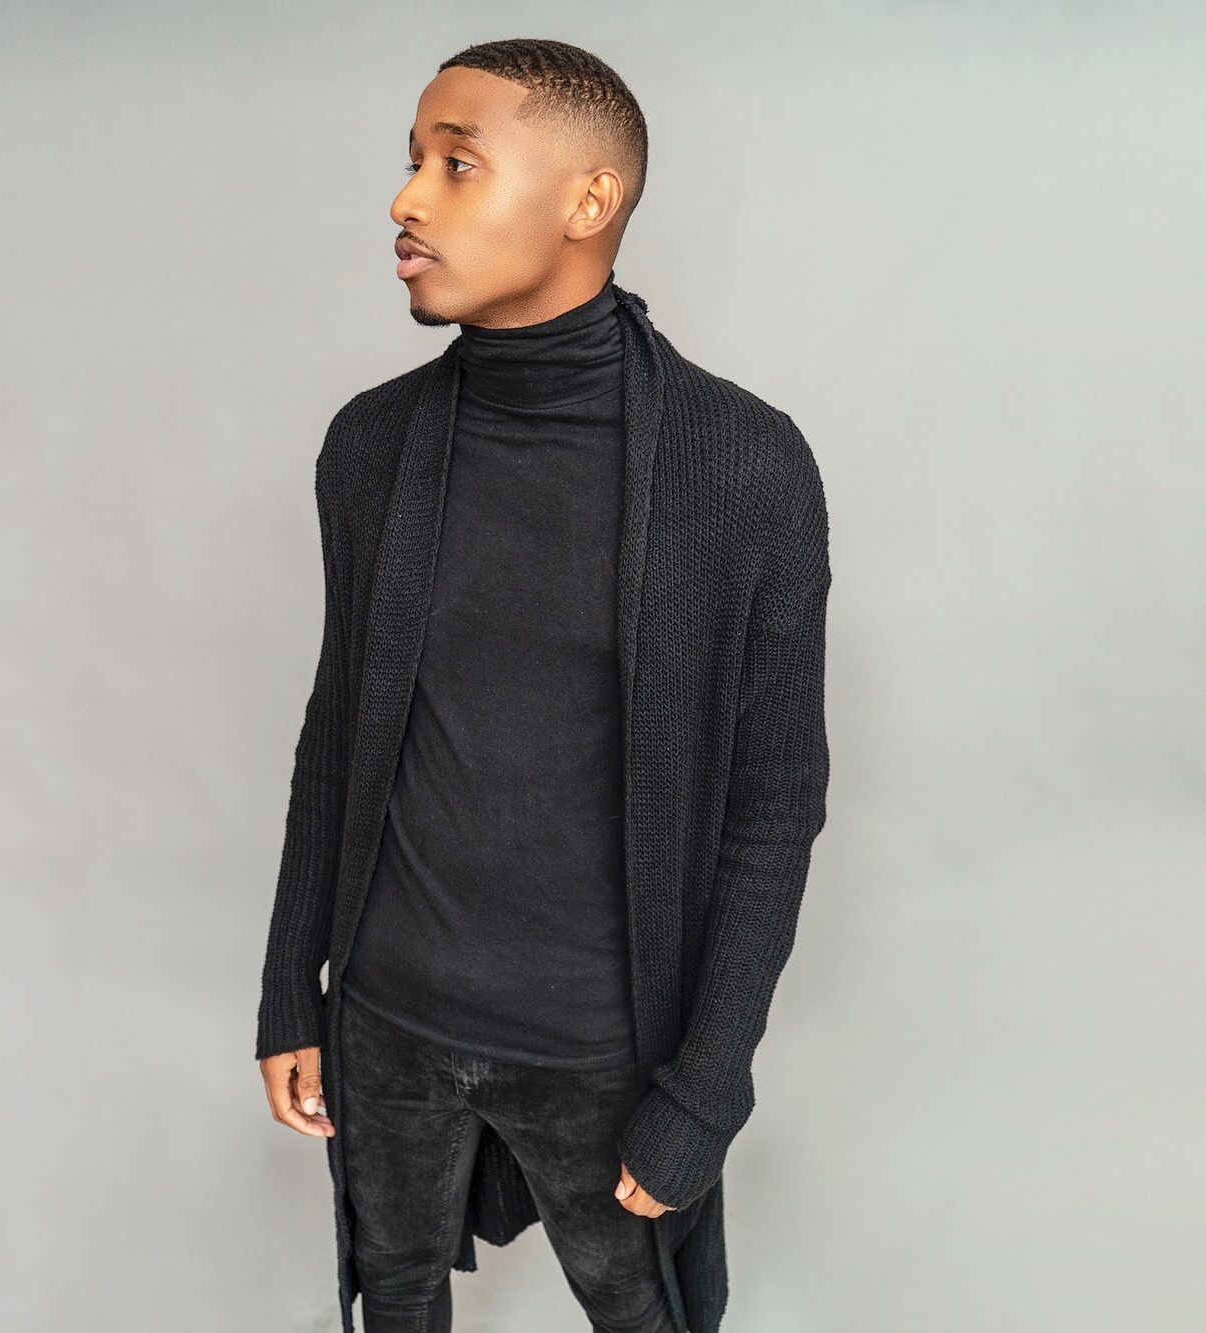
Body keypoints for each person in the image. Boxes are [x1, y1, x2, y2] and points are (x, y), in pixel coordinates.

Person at [255, 38, 832, 1333]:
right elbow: (340, 730)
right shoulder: (372, 445)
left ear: (590, 200)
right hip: (388, 1017)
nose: (406, 199)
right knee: (393, 1296)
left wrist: (705, 1087)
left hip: (603, 1048)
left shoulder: (740, 467)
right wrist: (295, 984)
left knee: (644, 1314)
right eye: (412, 162)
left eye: (456, 165)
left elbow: (774, 804)